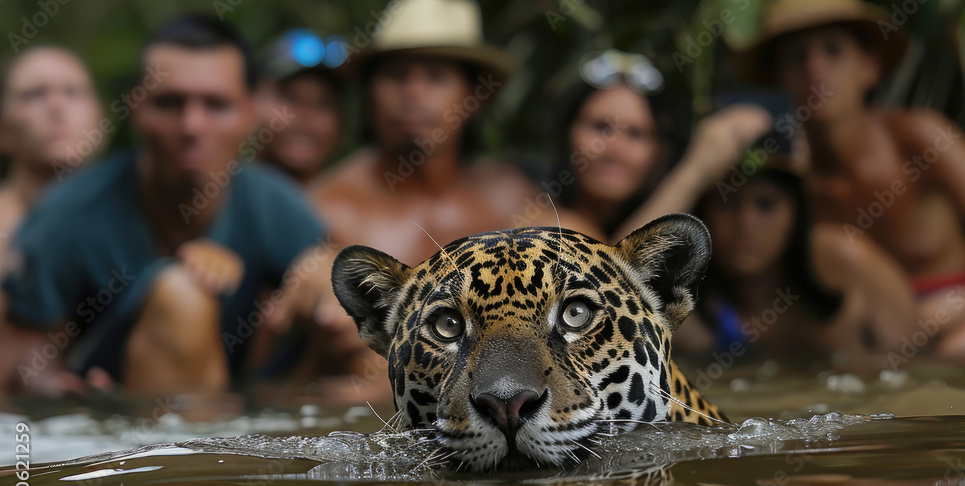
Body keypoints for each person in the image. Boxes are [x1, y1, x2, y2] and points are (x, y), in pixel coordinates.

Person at [0, 14, 338, 396]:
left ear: (249, 113)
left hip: (231, 412)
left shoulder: (276, 206)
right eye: (169, 103)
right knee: (182, 295)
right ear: (137, 109)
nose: (192, 126)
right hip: (110, 424)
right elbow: (18, 361)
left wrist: (324, 284)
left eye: (216, 104)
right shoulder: (65, 213)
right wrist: (59, 393)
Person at [309, 0, 598, 383]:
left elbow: (613, 286)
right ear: (371, 92)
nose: (413, 92)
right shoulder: (324, 207)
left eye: (435, 76)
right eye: (396, 76)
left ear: (473, 96)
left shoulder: (514, 200)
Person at [732, 0, 965, 355]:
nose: (815, 68)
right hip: (883, 349)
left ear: (869, 67)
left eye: (833, 50)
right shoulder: (792, 186)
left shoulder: (921, 137)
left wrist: (958, 349)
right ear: (781, 77)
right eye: (797, 56)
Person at [673, 153, 917, 368]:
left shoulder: (844, 260)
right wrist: (692, 173)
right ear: (701, 214)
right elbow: (633, 273)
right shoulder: (688, 303)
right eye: (728, 203)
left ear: (797, 212)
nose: (745, 223)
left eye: (766, 204)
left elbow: (914, 362)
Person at [548, 49, 690, 236]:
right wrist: (693, 174)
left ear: (660, 152)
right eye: (600, 127)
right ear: (568, 132)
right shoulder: (543, 223)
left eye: (636, 134)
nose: (615, 150)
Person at [0, 47, 103, 279]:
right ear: (3, 130)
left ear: (101, 121)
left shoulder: (144, 214)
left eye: (72, 92)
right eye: (34, 94)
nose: (56, 107)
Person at [256, 30, 345, 185]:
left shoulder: (355, 206)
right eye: (290, 98)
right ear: (252, 102)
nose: (306, 116)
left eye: (323, 104)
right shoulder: (213, 201)